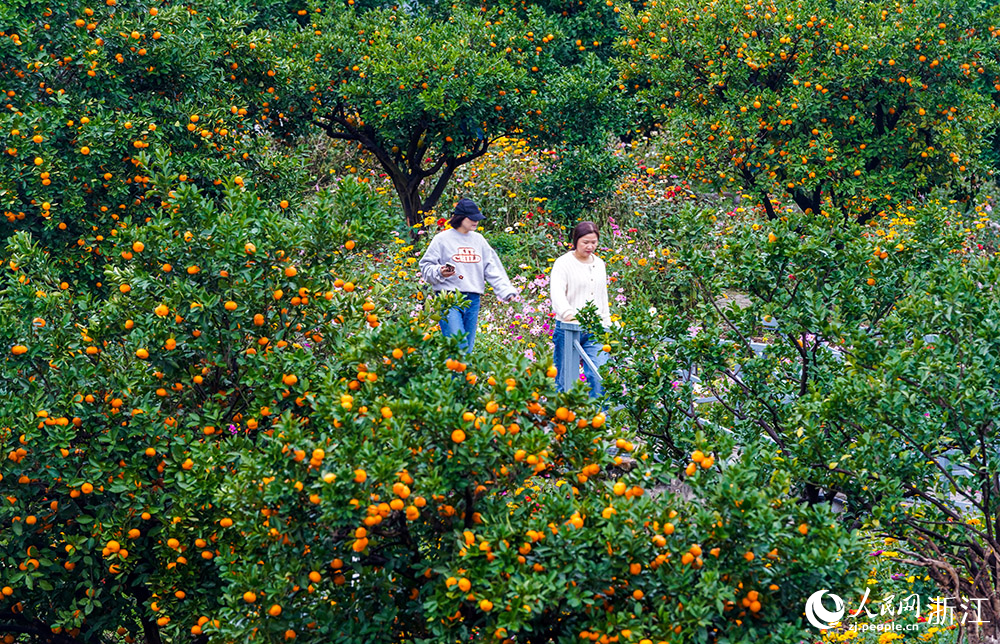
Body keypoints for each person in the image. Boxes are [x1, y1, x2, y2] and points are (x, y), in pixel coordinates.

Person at [419, 198, 518, 352]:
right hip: (448, 298)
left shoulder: (479, 240)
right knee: (458, 346)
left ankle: (462, 376)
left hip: (473, 299)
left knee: (467, 350)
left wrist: (506, 291)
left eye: (477, 218)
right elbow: (425, 267)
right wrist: (440, 271)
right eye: (472, 218)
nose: (476, 221)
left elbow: (492, 268)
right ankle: (457, 375)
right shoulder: (442, 240)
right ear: (460, 218)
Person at [550, 221, 611, 397]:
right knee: (565, 379)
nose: (590, 246)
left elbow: (602, 295)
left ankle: (599, 419)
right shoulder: (563, 263)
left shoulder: (599, 264)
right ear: (575, 241)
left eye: (594, 242)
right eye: (586, 242)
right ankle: (563, 419)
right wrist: (569, 315)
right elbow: (557, 294)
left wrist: (607, 323)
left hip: (595, 328)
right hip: (568, 329)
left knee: (599, 375)